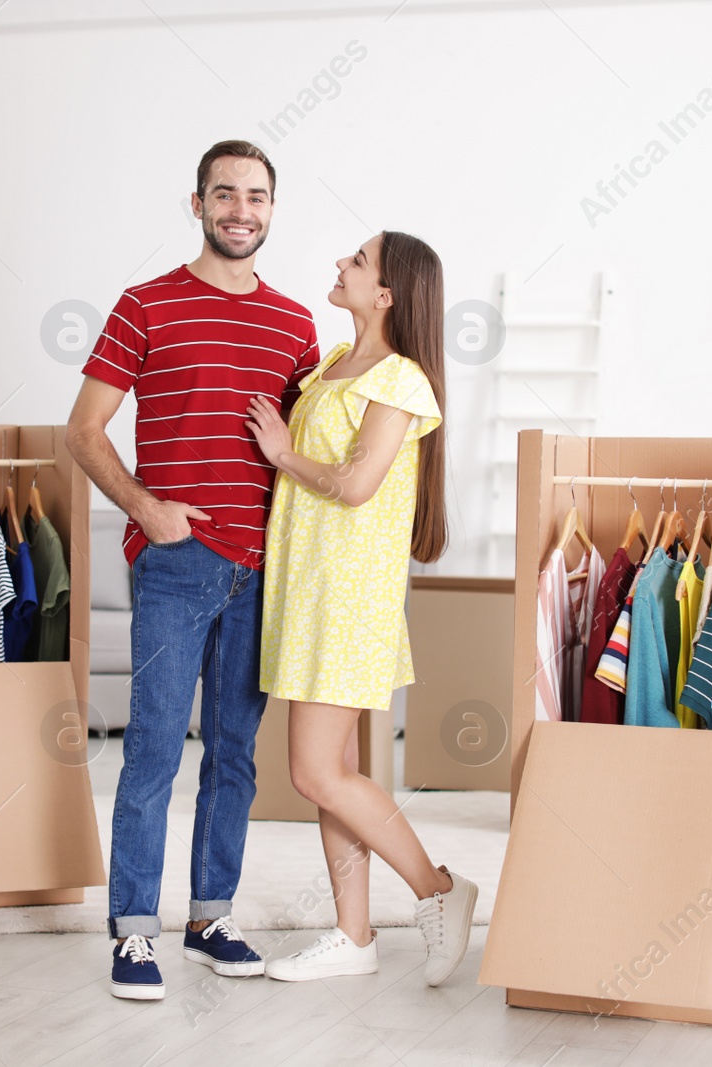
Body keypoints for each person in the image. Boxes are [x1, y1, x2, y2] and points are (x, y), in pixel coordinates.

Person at [66, 140, 321, 1001]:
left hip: (262, 566)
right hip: (178, 563)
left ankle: (211, 916)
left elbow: (305, 452)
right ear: (197, 202)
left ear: (272, 209)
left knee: (237, 755)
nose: (240, 209)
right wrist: (145, 509)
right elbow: (84, 429)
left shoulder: (296, 325)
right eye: (225, 194)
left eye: (256, 196)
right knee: (152, 753)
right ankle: (133, 931)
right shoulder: (145, 305)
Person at [245, 230, 478, 987]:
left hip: (347, 597)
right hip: (308, 590)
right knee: (334, 768)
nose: (339, 264)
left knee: (313, 771)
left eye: (358, 261)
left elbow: (356, 483)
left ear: (385, 294)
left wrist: (281, 452)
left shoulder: (402, 379)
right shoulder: (329, 370)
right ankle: (354, 935)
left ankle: (438, 889)